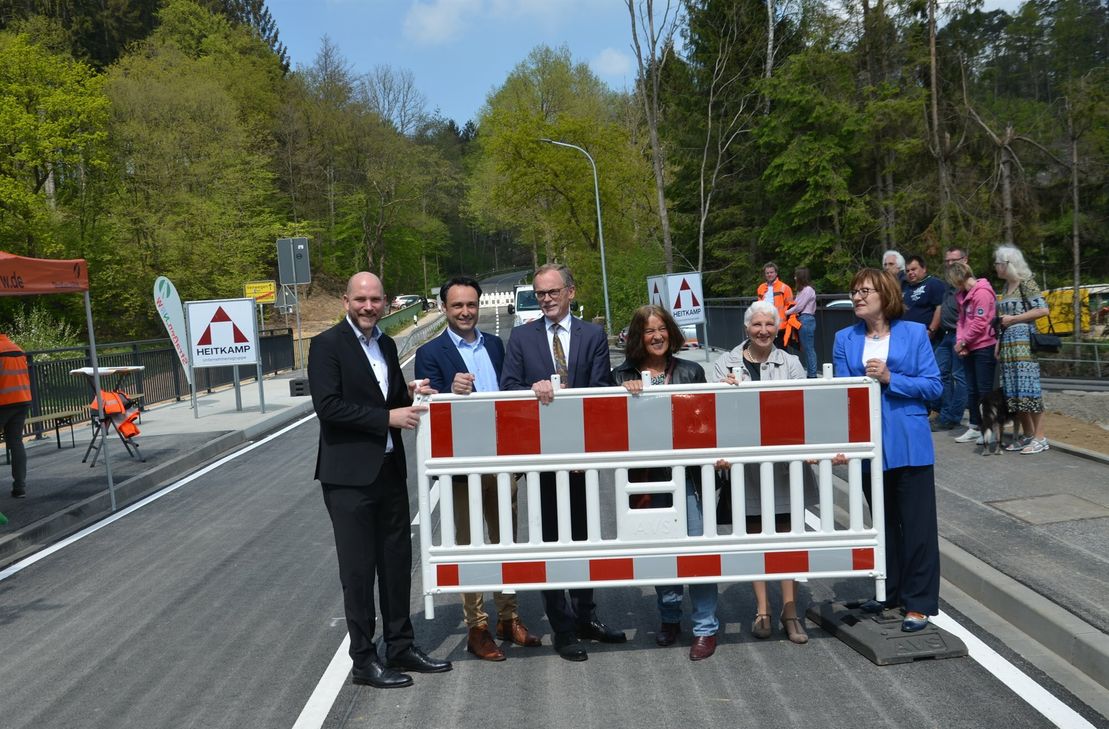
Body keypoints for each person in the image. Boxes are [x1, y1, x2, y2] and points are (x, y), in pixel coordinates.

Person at [308, 272, 452, 689]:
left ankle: (401, 646)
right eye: (361, 299)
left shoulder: (387, 344)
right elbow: (329, 407)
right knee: (358, 572)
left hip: (389, 472)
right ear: (346, 301)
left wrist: (409, 393)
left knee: (395, 565)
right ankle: (364, 660)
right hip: (348, 478)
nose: (368, 306)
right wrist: (387, 417)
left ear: (386, 302)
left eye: (375, 299)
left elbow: (384, 397)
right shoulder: (326, 346)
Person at [500, 263, 624, 661]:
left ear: (570, 292)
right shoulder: (522, 337)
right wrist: (529, 389)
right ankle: (564, 627)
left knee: (583, 540)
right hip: (542, 460)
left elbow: (603, 389)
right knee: (551, 542)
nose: (547, 299)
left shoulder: (592, 335)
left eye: (553, 292)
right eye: (540, 294)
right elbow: (508, 390)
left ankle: (586, 616)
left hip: (582, 457)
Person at [414, 276, 542, 661]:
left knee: (506, 541)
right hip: (462, 467)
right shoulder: (430, 352)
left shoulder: (495, 345)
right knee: (470, 547)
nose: (466, 312)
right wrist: (448, 392)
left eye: (471, 304)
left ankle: (509, 617)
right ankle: (478, 627)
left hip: (502, 462)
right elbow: (426, 407)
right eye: (457, 306)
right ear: (444, 309)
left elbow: (511, 395)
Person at [832, 268, 942, 632]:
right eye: (854, 291)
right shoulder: (844, 338)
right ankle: (889, 591)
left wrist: (891, 378)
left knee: (917, 526)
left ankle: (919, 602)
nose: (857, 297)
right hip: (869, 446)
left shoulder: (913, 334)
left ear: (885, 294)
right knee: (883, 525)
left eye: (865, 291)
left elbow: (933, 387)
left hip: (909, 444)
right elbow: (840, 396)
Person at [611, 305, 719, 661]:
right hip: (645, 479)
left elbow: (706, 422)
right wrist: (626, 395)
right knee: (660, 551)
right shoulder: (619, 375)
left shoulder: (690, 370)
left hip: (686, 476)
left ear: (671, 332)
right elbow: (610, 429)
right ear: (637, 338)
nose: (656, 336)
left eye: (661, 329)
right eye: (648, 331)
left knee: (697, 549)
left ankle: (705, 627)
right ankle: (670, 617)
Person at [713, 300, 812, 644]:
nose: (764, 331)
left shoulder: (793, 363)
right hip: (745, 466)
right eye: (757, 325)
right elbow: (714, 416)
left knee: (786, 534)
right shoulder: (723, 364)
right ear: (746, 328)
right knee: (754, 533)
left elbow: (803, 408)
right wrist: (723, 393)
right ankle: (762, 609)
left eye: (770, 324)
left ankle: (789, 609)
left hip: (783, 463)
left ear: (777, 327)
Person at [993, 245, 1051, 454]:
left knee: (1030, 391)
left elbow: (1043, 309)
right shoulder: (1006, 287)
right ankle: (1028, 435)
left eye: (998, 263)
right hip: (1009, 345)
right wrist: (999, 343)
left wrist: (1014, 319)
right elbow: (1002, 320)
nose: (995, 267)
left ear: (1007, 264)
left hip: (1024, 345)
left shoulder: (1026, 282)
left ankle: (1040, 437)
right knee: (1014, 393)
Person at [945, 261, 998, 446]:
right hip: (969, 347)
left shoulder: (982, 292)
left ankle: (989, 427)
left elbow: (980, 322)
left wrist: (964, 342)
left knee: (984, 390)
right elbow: (961, 321)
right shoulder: (962, 295)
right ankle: (975, 426)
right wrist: (961, 342)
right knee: (971, 390)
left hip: (984, 346)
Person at [932, 247, 968, 431]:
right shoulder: (948, 285)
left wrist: (965, 340)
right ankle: (944, 414)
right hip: (946, 336)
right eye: (946, 261)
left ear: (964, 260)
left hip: (960, 336)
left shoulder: (967, 285)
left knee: (959, 377)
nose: (949, 264)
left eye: (953, 260)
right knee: (938, 373)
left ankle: (953, 417)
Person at [0, 332, 32, 499]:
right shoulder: (17, 349)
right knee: (16, 442)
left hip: (3, 402)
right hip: (22, 400)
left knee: (15, 442)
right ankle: (20, 487)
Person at [756, 261, 799, 352]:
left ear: (776, 273)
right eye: (767, 273)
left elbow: (791, 305)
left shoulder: (785, 287)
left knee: (781, 351)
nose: (769, 275)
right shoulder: (761, 288)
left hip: (780, 326)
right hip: (765, 325)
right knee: (766, 350)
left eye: (771, 272)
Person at [785, 267, 818, 377]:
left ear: (800, 277)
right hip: (803, 320)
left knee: (809, 349)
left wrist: (785, 312)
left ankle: (812, 375)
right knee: (806, 348)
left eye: (796, 276)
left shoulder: (808, 290)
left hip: (806, 319)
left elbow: (799, 307)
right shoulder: (803, 290)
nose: (794, 278)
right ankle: (810, 373)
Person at [902, 254, 944, 337]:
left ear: (924, 269)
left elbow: (940, 308)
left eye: (913, 269)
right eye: (907, 271)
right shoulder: (905, 287)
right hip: (906, 334)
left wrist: (931, 330)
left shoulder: (933, 283)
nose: (910, 272)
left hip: (926, 335)